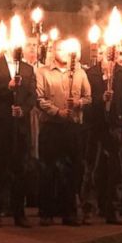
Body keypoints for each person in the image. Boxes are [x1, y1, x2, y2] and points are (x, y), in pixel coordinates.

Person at [36, 40, 91, 225]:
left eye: (66, 49)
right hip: (51, 127)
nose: (63, 52)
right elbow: (40, 99)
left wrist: (77, 104)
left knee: (72, 170)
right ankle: (47, 212)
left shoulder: (79, 72)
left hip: (72, 127)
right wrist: (58, 111)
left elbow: (88, 97)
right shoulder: (43, 72)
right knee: (48, 169)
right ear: (52, 51)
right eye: (59, 49)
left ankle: (69, 212)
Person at [81, 46, 122, 225]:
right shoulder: (91, 74)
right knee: (92, 169)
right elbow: (85, 100)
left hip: (116, 126)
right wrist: (100, 100)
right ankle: (88, 209)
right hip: (96, 126)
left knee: (117, 170)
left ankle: (113, 210)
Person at [0, 44, 37, 227]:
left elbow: (32, 95)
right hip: (1, 125)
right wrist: (8, 87)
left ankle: (19, 213)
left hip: (20, 127)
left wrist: (23, 110)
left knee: (20, 169)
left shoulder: (28, 68)